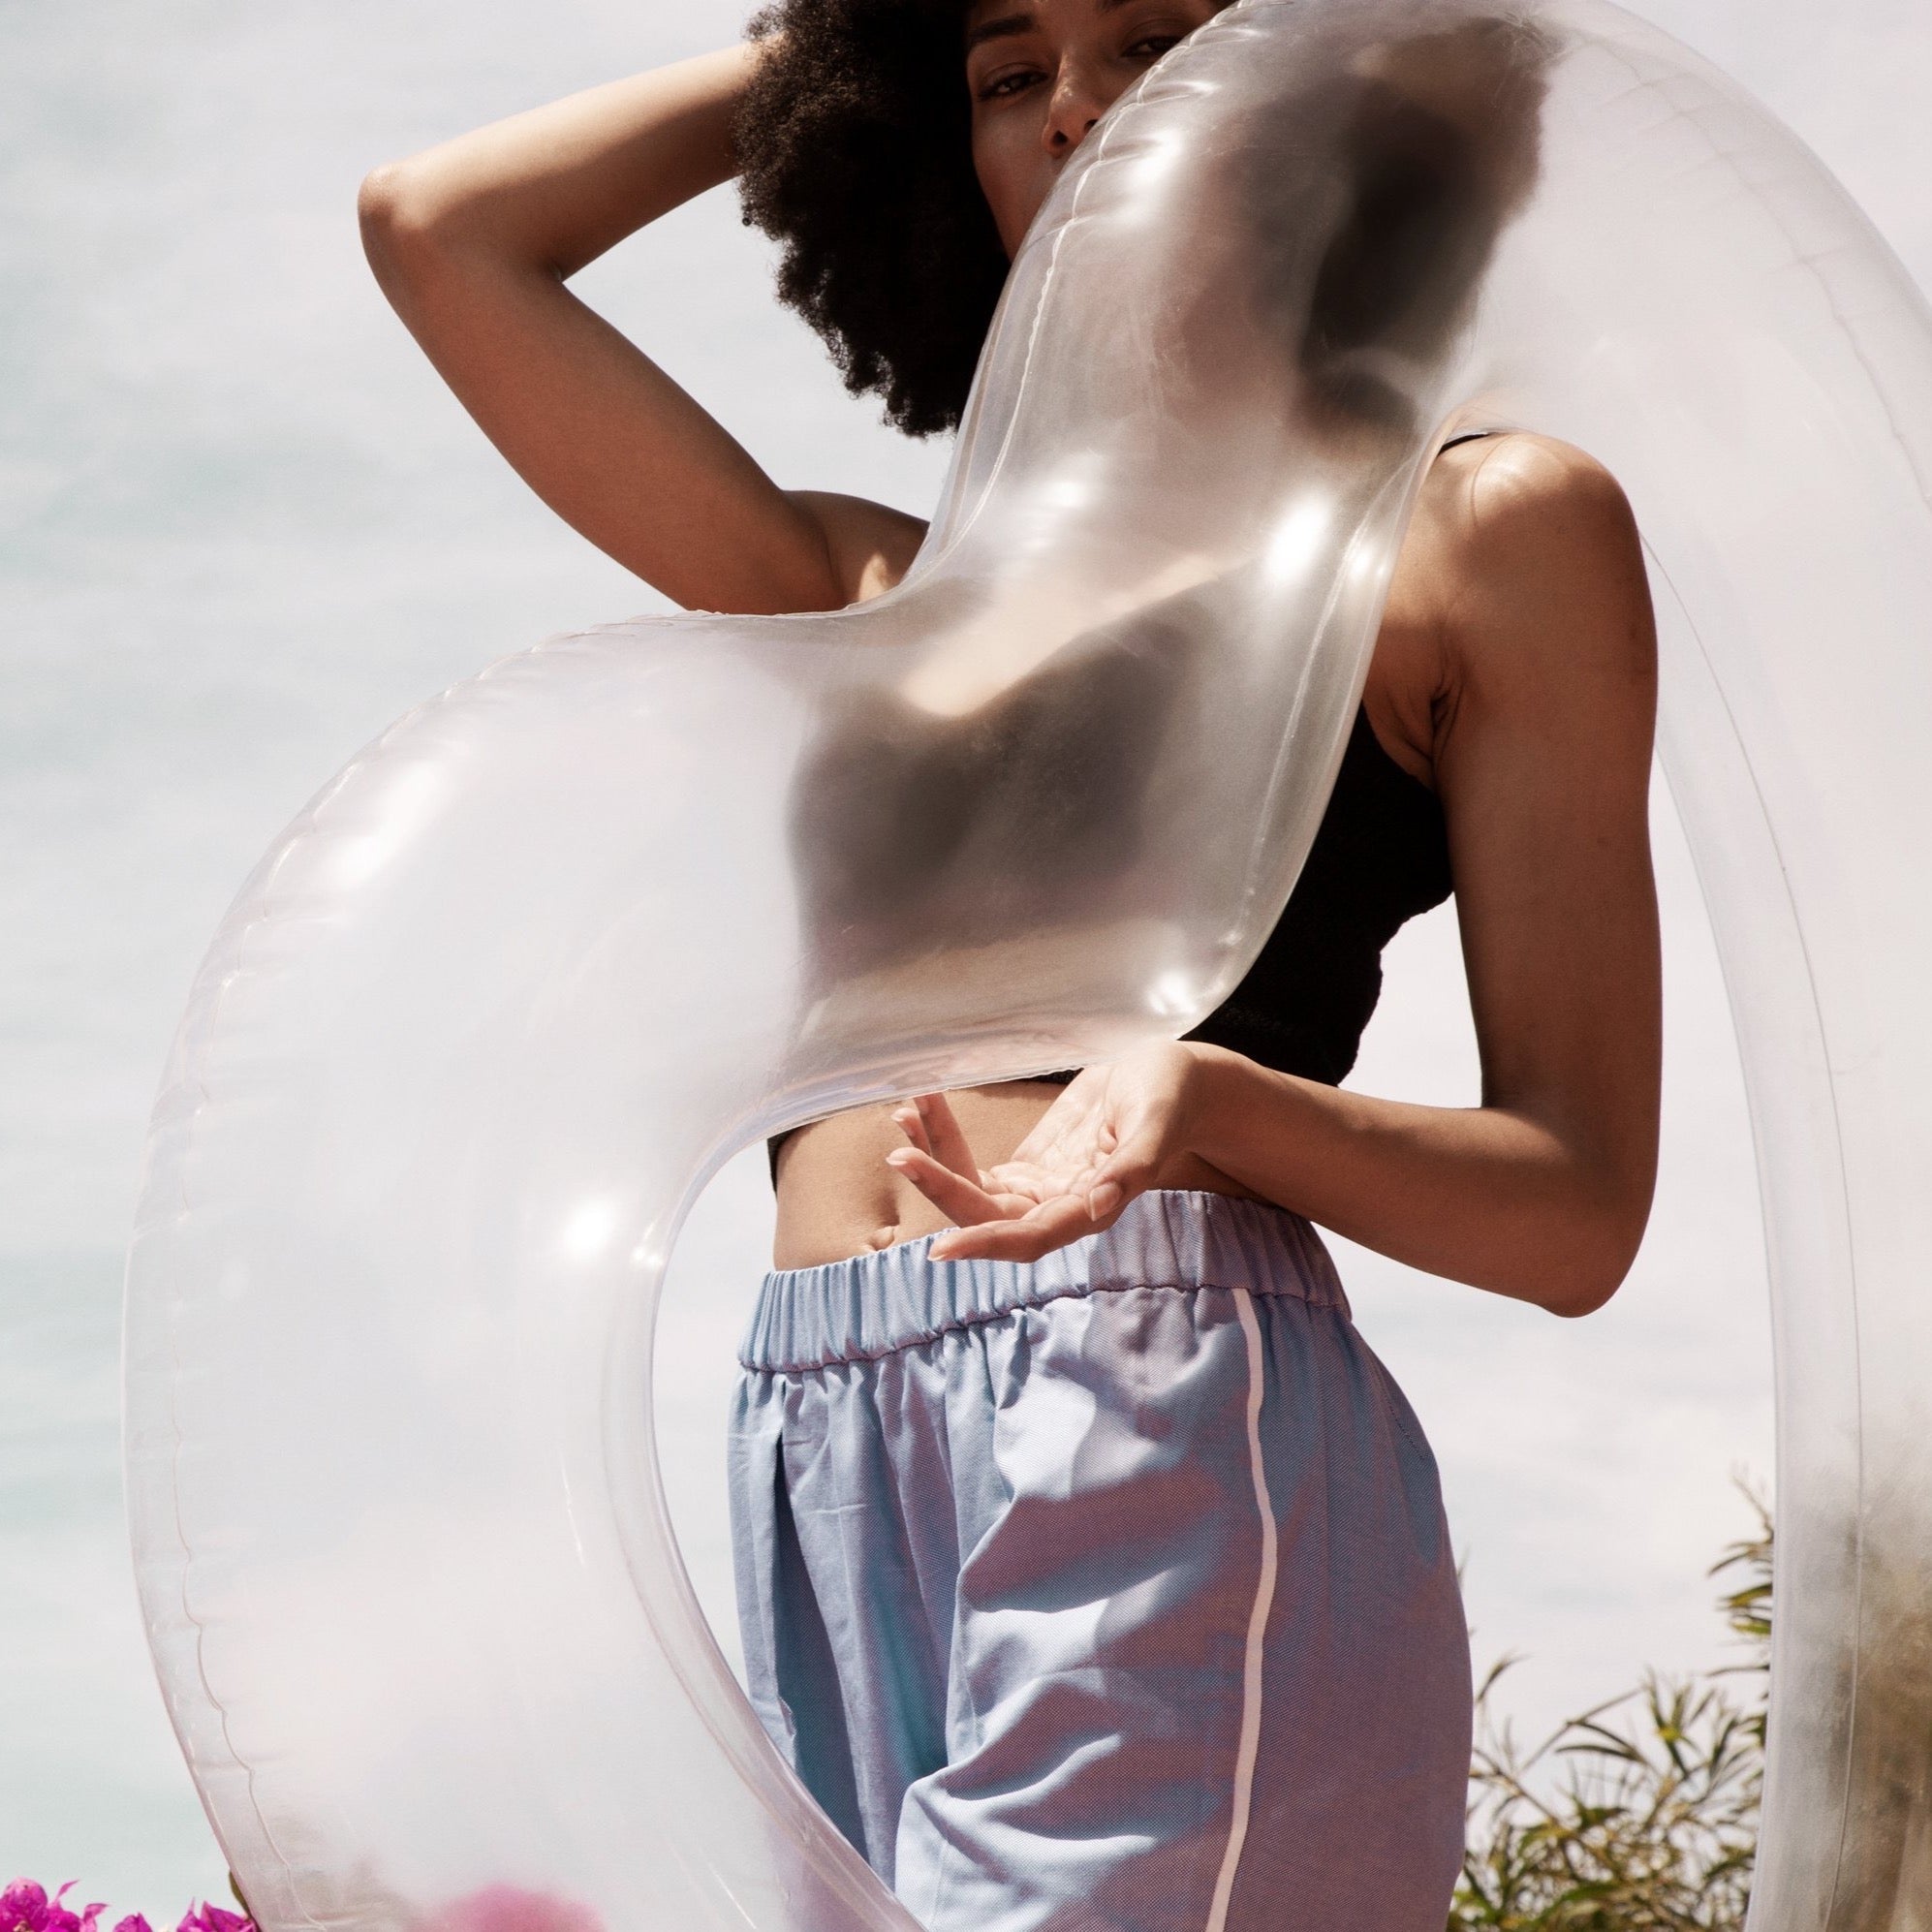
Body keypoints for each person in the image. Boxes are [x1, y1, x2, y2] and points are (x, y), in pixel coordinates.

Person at [358, 2, 1660, 1926]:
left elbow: (1575, 1211)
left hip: (1159, 1401)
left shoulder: (1477, 537)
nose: (1074, 107)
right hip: (819, 1440)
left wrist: (1213, 1101)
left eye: (1150, 38)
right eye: (1000, 66)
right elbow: (438, 227)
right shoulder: (874, 589)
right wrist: (844, 55)